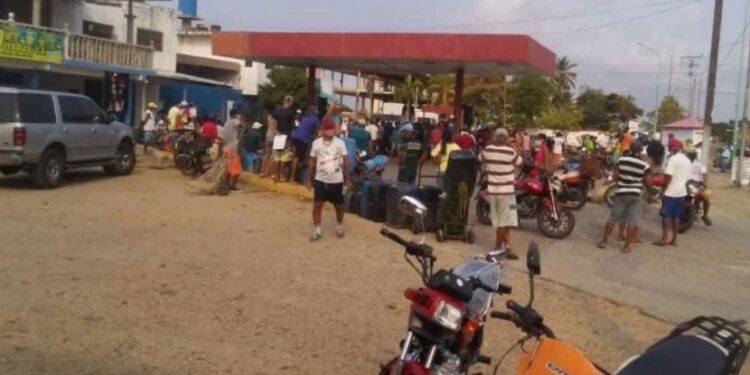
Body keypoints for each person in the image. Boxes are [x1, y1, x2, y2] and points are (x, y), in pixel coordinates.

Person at [597, 141, 651, 253]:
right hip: (636, 194)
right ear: (641, 151)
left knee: (613, 218)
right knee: (632, 221)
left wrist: (609, 181)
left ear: (630, 148)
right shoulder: (644, 165)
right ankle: (626, 246)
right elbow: (648, 182)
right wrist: (651, 193)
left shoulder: (622, 160)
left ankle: (604, 241)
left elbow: (616, 177)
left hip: (621, 192)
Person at [479, 128, 523, 260]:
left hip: (493, 192)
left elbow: (479, 159)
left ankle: (508, 246)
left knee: (504, 221)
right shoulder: (510, 152)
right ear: (507, 139)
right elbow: (520, 162)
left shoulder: (487, 150)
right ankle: (497, 250)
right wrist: (512, 146)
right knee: (503, 223)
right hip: (507, 193)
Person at [307, 117, 351, 241]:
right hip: (320, 179)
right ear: (322, 130)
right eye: (327, 132)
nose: (329, 135)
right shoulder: (316, 143)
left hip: (336, 180)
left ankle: (339, 226)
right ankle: (317, 230)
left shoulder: (340, 143)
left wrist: (348, 180)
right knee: (317, 205)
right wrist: (309, 180)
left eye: (331, 131)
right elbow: (311, 161)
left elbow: (346, 162)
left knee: (339, 206)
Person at [655, 139, 692, 247]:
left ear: (674, 148)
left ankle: (664, 239)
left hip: (671, 191)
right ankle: (674, 240)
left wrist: (664, 190)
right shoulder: (687, 160)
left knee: (666, 215)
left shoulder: (673, 159)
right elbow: (688, 179)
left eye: (670, 147)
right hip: (681, 192)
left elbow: (668, 176)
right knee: (676, 217)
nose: (670, 149)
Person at [290, 105, 321, 183]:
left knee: (296, 157)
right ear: (315, 111)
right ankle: (306, 180)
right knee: (305, 159)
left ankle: (292, 178)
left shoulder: (304, 118)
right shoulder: (315, 119)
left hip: (295, 137)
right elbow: (317, 132)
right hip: (303, 139)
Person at [271, 95, 296, 182]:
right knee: (283, 158)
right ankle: (281, 176)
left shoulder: (278, 111)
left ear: (284, 101)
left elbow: (272, 119)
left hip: (278, 135)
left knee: (277, 157)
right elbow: (293, 125)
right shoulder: (291, 113)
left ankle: (276, 176)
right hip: (286, 136)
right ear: (290, 102)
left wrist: (274, 130)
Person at [686, 150, 712, 226]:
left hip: (697, 183)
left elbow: (705, 174)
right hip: (686, 182)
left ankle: (705, 215)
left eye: (693, 155)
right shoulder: (685, 163)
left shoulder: (699, 164)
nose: (691, 156)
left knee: (706, 197)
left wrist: (705, 183)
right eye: (690, 155)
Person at [219, 108, 243, 190]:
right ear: (235, 114)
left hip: (226, 149)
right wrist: (241, 119)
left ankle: (226, 184)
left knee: (228, 169)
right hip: (232, 149)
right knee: (237, 170)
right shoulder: (234, 121)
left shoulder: (226, 123)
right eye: (237, 114)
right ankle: (233, 185)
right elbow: (242, 125)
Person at [261, 112, 277, 178]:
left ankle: (262, 172)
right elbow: (273, 128)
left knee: (266, 155)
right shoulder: (276, 118)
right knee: (273, 156)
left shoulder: (269, 117)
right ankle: (271, 173)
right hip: (274, 138)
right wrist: (278, 133)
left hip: (268, 137)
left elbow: (269, 127)